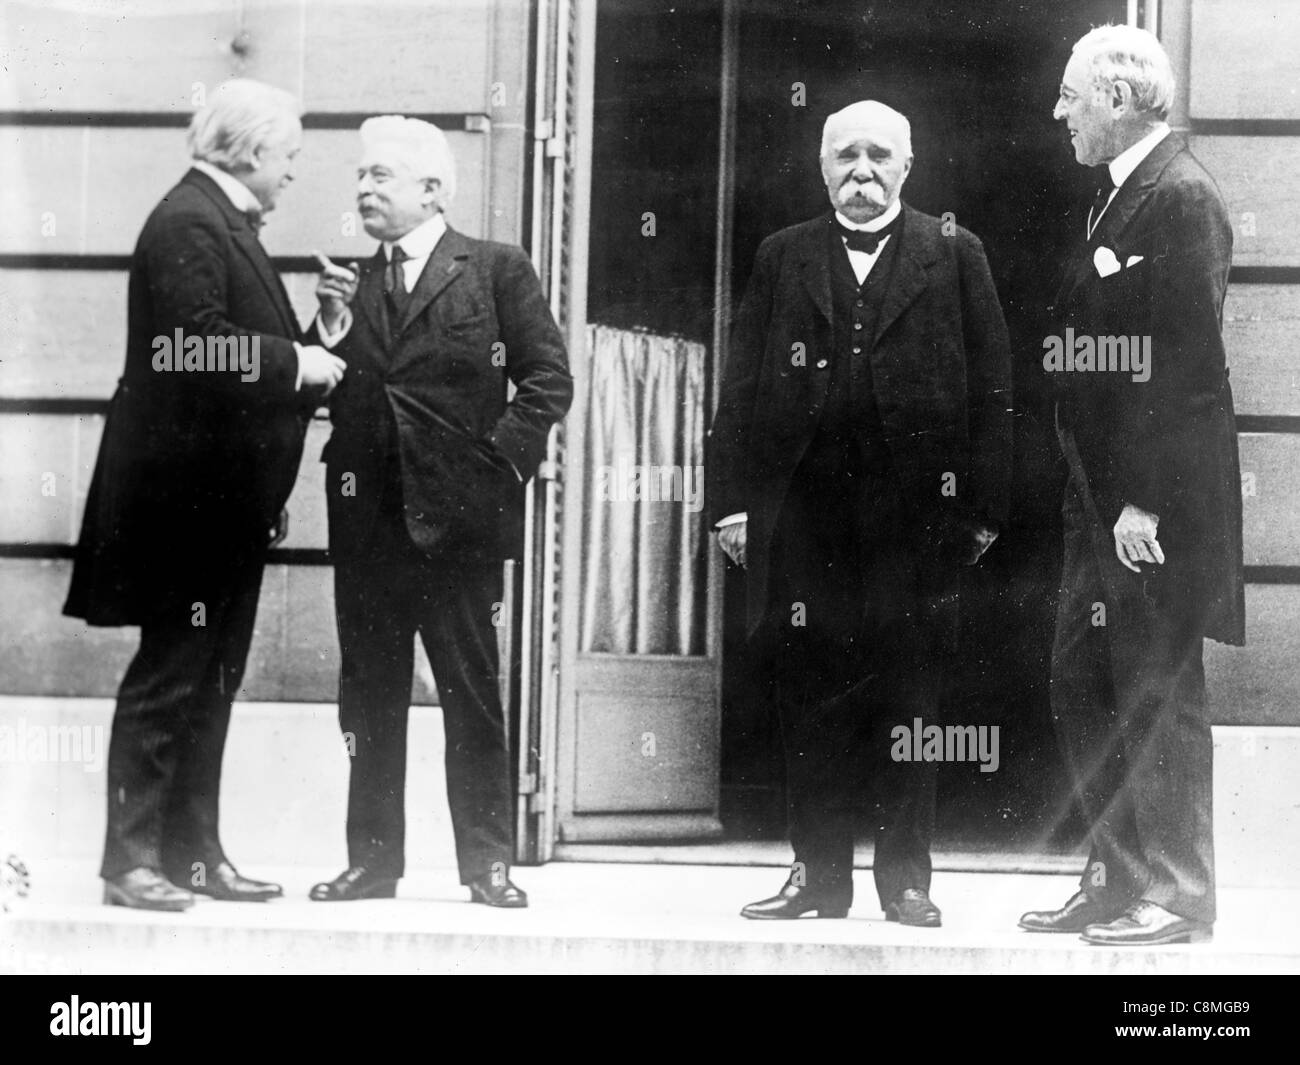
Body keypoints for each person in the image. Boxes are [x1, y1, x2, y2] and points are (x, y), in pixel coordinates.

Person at [708, 101, 1012, 925]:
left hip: (915, 519)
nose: (862, 170)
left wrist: (980, 507)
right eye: (845, 156)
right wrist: (732, 503)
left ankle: (907, 879)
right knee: (809, 694)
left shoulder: (955, 253)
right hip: (803, 516)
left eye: (880, 155)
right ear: (822, 166)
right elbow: (738, 384)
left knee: (910, 699)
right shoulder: (782, 256)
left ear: (908, 168)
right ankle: (817, 876)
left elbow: (995, 388)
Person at [64, 79, 347, 911]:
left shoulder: (211, 220)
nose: (293, 174)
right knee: (173, 671)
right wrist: (299, 363)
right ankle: (129, 863)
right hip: (183, 506)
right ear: (253, 152)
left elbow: (227, 357)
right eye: (289, 157)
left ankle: (191, 856)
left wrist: (318, 334)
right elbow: (191, 350)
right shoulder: (190, 221)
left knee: (210, 676)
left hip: (216, 503)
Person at [308, 116, 572, 908]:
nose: (363, 188)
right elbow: (330, 386)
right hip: (369, 527)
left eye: (380, 176)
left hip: (458, 526)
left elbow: (547, 379)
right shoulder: (350, 284)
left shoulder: (494, 270)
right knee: (369, 695)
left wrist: (492, 468)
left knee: (470, 691)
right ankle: (373, 861)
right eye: (360, 175)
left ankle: (488, 863)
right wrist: (327, 328)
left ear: (432, 190)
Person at [1019, 24, 1244, 946]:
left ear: (1117, 100)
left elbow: (1188, 370)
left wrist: (1142, 501)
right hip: (1100, 502)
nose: (1059, 113)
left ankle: (1180, 892)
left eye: (1071, 96)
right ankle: (1115, 874)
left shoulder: (1180, 198)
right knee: (1082, 678)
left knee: (1155, 689)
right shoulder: (1118, 199)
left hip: (1150, 510)